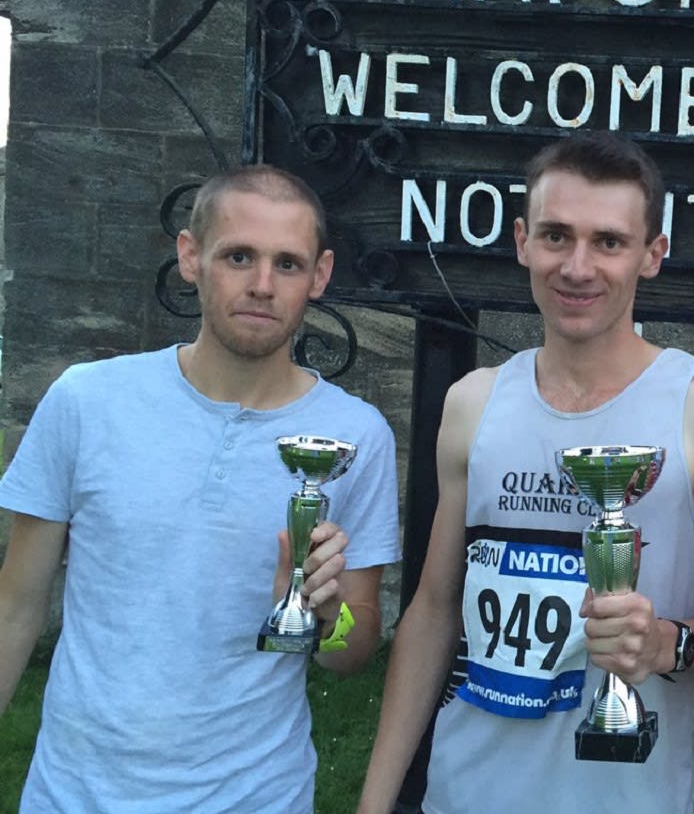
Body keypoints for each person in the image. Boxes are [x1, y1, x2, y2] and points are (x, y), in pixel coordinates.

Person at [358, 132, 694, 814]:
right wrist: (374, 802)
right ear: (522, 241)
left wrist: (667, 643)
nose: (578, 267)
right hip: (465, 792)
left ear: (652, 254)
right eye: (556, 236)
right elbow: (433, 609)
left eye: (608, 242)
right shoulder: (474, 402)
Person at [0, 164, 400, 813]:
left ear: (320, 275)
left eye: (288, 264)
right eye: (239, 256)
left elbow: (352, 653)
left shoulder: (356, 436)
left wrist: (322, 615)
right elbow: (15, 607)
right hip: (74, 794)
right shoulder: (87, 401)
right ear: (191, 256)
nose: (262, 285)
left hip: (255, 796)